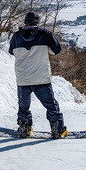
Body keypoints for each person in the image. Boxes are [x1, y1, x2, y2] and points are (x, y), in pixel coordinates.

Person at [9, 11, 67, 139]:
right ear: (37, 21)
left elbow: (11, 51)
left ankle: (24, 129)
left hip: (23, 77)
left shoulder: (16, 36)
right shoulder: (44, 34)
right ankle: (57, 130)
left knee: (23, 106)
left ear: (25, 21)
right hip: (41, 77)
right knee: (51, 105)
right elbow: (56, 49)